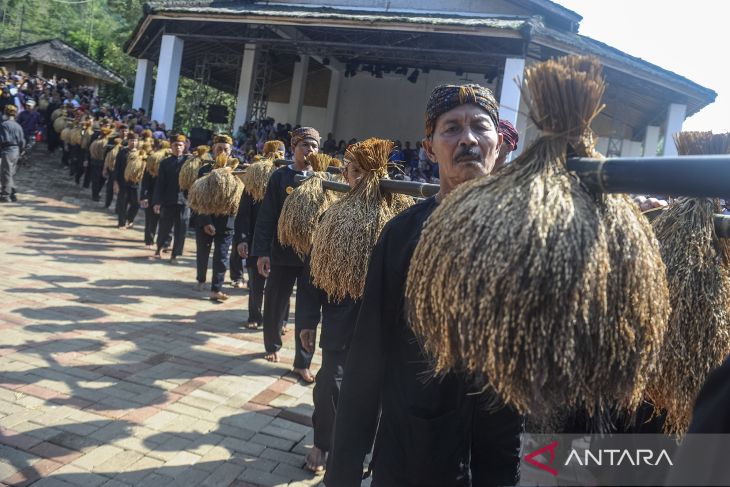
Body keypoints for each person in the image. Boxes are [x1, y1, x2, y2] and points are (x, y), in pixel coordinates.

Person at [325, 84, 523, 487]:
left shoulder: (527, 234)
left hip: (500, 459)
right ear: (429, 148)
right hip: (411, 454)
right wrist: (342, 473)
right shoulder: (401, 235)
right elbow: (366, 359)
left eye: (479, 127)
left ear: (498, 143)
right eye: (451, 128)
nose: (467, 139)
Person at [251, 127, 320, 383]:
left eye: (314, 146)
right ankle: (272, 345)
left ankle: (303, 361)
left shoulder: (323, 178)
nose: (310, 150)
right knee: (275, 301)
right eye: (305, 145)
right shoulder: (280, 177)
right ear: (294, 147)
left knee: (309, 309)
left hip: (311, 256)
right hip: (281, 252)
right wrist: (261, 253)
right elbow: (266, 217)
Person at [194, 134, 236, 301]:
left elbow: (237, 200)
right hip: (206, 221)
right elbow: (199, 200)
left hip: (226, 223)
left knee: (222, 256)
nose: (222, 152)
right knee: (203, 253)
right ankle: (201, 279)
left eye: (226, 149)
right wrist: (206, 222)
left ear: (231, 151)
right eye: (219, 149)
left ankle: (216, 288)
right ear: (213, 150)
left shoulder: (236, 171)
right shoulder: (204, 170)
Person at [153, 134, 190, 264]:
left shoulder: (189, 162)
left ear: (184, 146)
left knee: (182, 228)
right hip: (168, 200)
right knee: (164, 226)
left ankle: (176, 254)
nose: (178, 147)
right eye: (176, 145)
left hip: (184, 201)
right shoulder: (165, 162)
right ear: (171, 146)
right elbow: (160, 183)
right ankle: (159, 248)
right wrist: (157, 201)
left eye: (181, 145)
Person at [114, 132, 141, 229]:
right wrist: (116, 182)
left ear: (138, 142)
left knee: (136, 204)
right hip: (123, 182)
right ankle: (121, 223)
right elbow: (117, 168)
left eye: (135, 140)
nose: (133, 142)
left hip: (136, 183)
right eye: (131, 140)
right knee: (123, 203)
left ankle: (130, 219)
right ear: (128, 141)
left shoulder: (141, 154)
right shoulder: (122, 153)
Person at [0, 104, 25, 202]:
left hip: (7, 150)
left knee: (5, 173)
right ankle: (13, 192)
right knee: (10, 172)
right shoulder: (18, 125)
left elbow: (2, 139)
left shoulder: (4, 125)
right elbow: (22, 140)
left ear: (5, 113)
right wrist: (22, 151)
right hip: (16, 151)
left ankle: (6, 195)